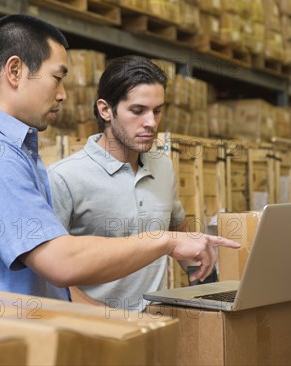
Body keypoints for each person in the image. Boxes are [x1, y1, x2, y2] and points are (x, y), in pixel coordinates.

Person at [0, 14, 239, 300]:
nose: (62, 93)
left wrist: (119, 326)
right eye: (57, 77)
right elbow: (59, 262)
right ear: (15, 71)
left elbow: (48, 282)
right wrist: (166, 242)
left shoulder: (11, 149)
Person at [48, 56, 187, 310]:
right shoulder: (64, 178)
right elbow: (47, 273)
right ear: (105, 110)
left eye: (157, 111)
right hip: (97, 333)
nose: (151, 123)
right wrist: (107, 319)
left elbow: (177, 227)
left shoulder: (163, 166)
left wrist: (208, 277)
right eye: (138, 111)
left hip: (156, 325)